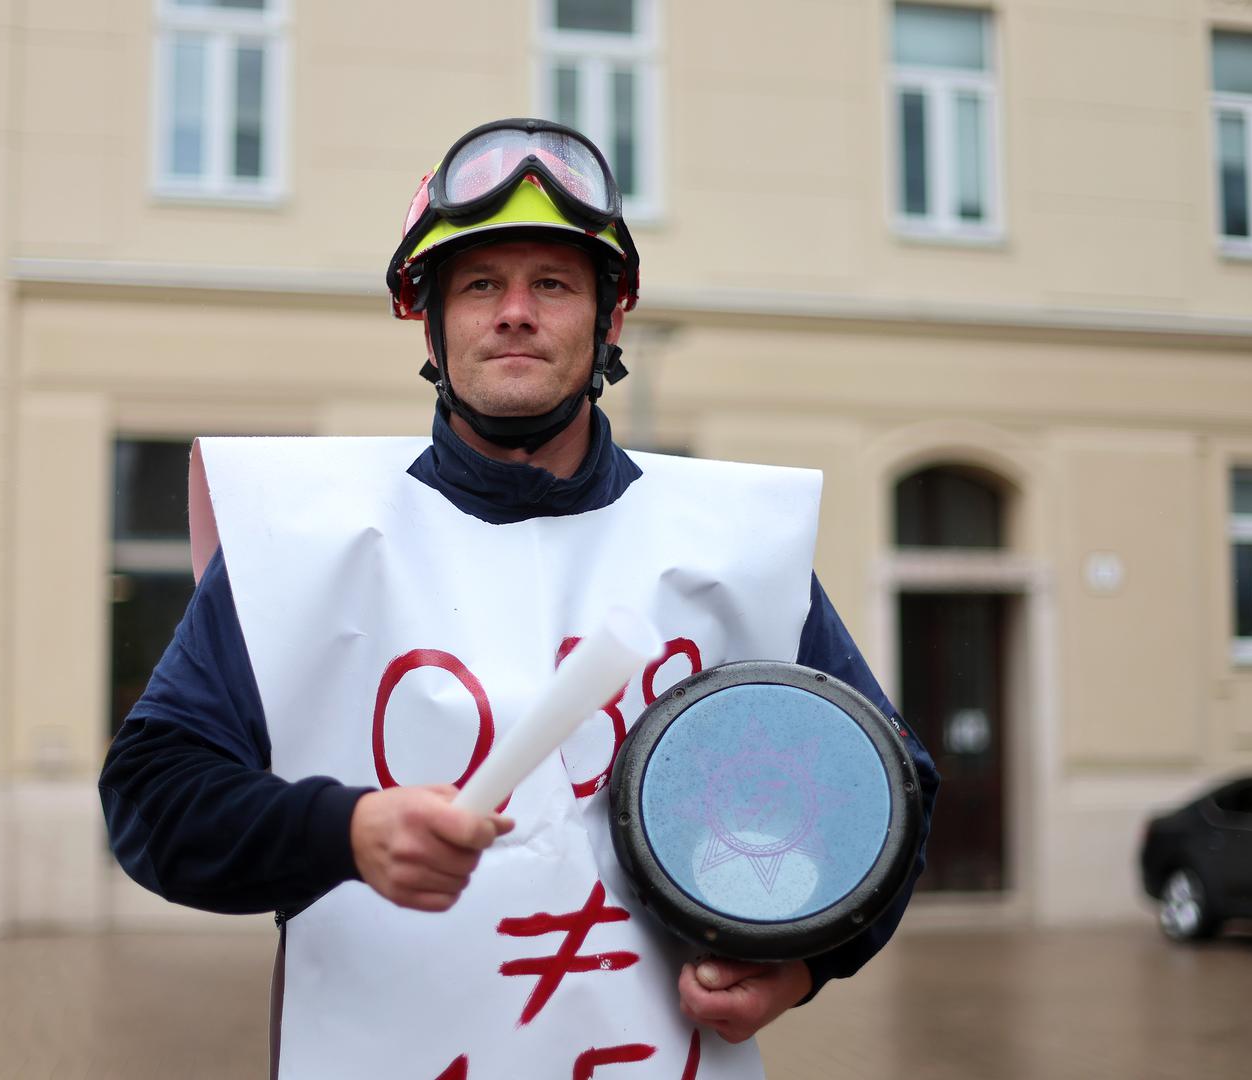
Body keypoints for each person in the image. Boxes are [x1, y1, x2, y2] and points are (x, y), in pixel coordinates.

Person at [101, 117, 939, 1079]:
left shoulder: (733, 546)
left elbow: (886, 790)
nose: (513, 312)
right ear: (432, 319)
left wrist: (801, 962)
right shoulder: (303, 541)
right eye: (479, 284)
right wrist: (343, 830)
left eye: (551, 283)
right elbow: (152, 798)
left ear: (609, 318)